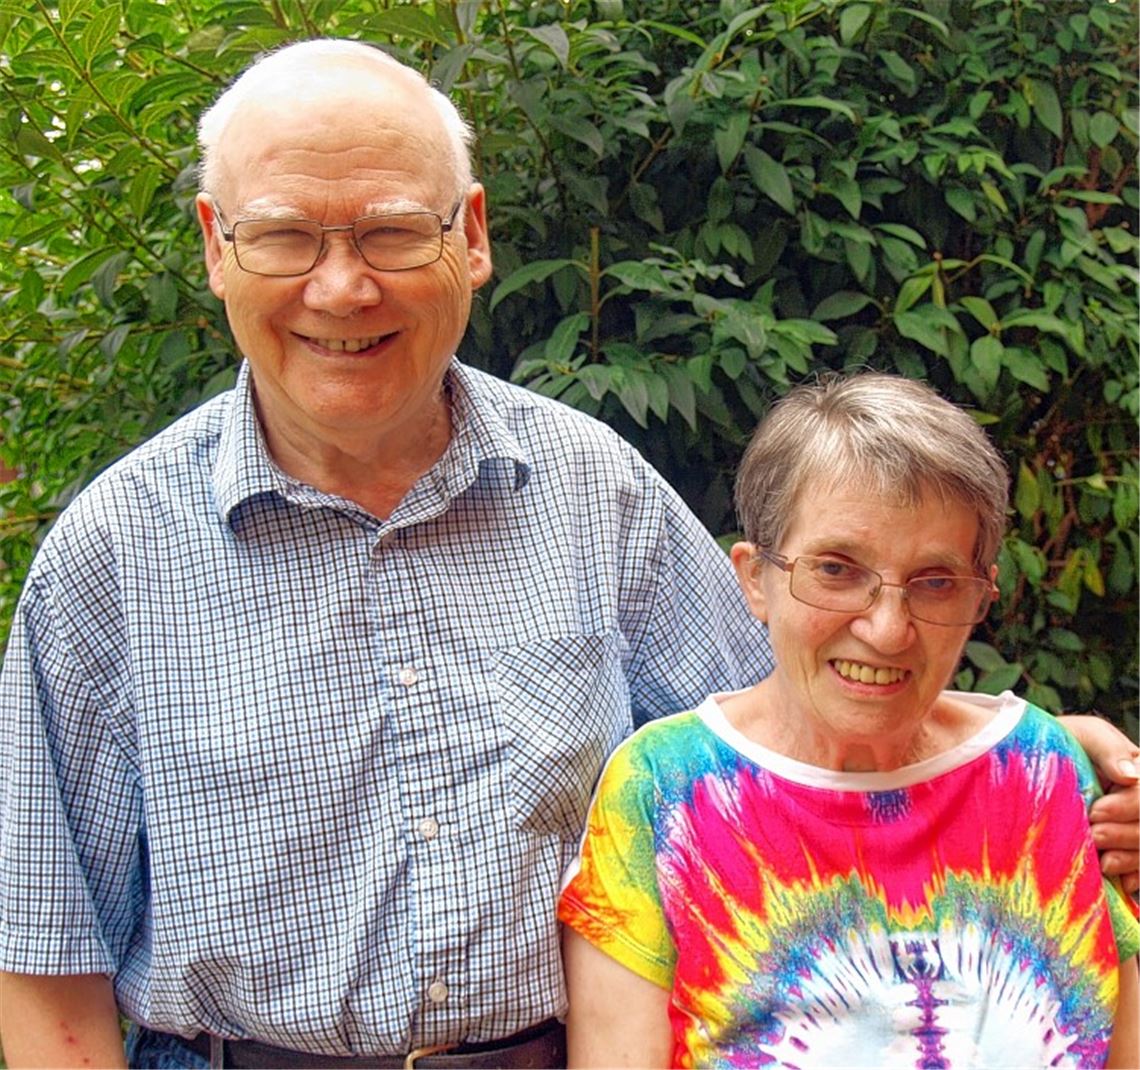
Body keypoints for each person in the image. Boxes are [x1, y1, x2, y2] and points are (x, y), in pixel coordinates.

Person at [0, 38, 1135, 1070]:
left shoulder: (594, 490)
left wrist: (1038, 751)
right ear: (215, 246)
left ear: (474, 235)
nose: (342, 286)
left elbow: (799, 715)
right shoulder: (109, 560)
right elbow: (46, 966)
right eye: (286, 234)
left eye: (395, 229)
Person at [558, 372, 1140, 1068]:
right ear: (753, 579)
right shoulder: (666, 791)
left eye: (935, 581)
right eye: (837, 569)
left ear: (981, 598)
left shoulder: (1042, 771)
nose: (888, 630)